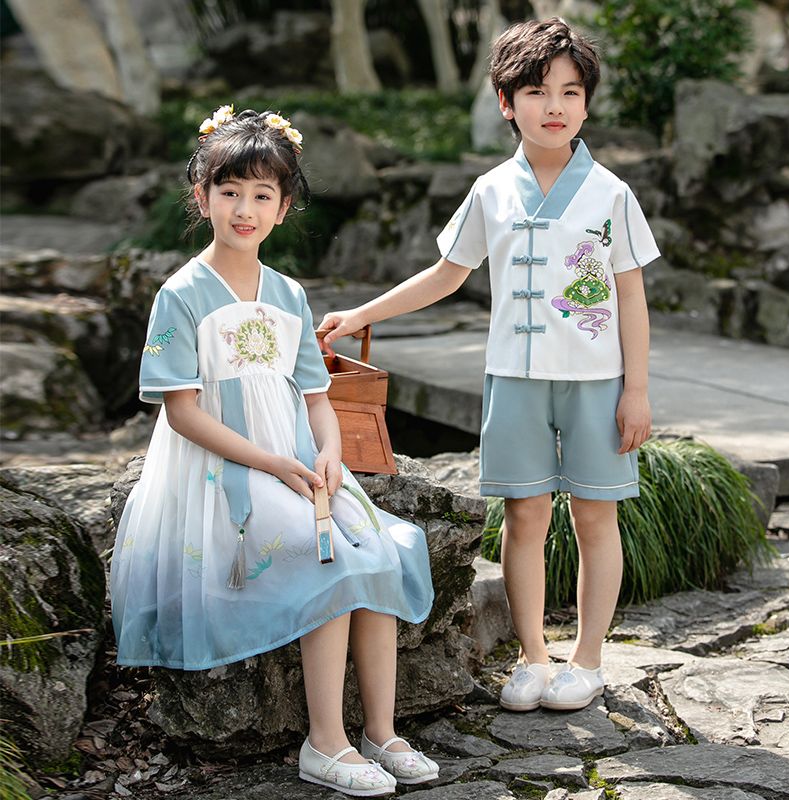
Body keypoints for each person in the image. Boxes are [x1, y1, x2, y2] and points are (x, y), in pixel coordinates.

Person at [320, 18, 660, 714]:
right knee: (525, 515)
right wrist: (360, 316)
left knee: (598, 517)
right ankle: (534, 657)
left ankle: (588, 661)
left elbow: (630, 295)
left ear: (588, 103)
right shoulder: (490, 192)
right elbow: (446, 274)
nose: (555, 106)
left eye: (570, 91)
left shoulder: (612, 195)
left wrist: (638, 391)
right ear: (508, 103)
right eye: (537, 91)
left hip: (598, 383)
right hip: (513, 379)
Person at [110, 106, 439, 796]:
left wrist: (328, 455)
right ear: (201, 197)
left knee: (382, 548)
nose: (244, 208)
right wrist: (270, 464)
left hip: (298, 465)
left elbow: (316, 396)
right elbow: (182, 412)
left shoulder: (288, 294)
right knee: (333, 560)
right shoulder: (181, 294)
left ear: (284, 208)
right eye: (229, 191)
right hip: (225, 473)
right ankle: (325, 744)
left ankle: (381, 731)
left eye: (263, 194)